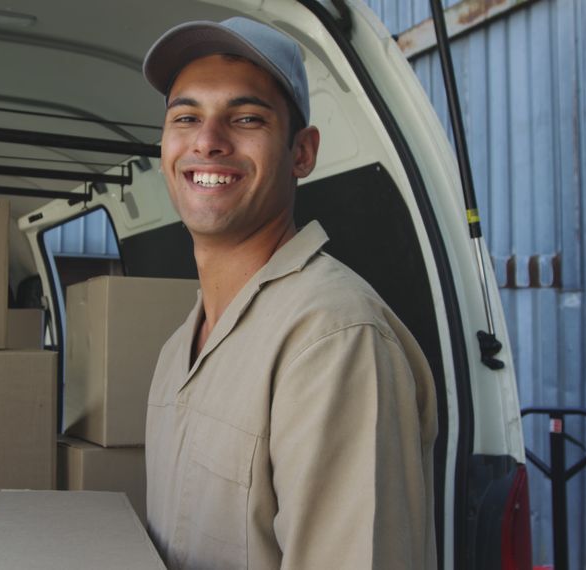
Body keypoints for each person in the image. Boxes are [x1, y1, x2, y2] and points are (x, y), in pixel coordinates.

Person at [141, 17, 438, 569]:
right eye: (186, 117)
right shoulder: (179, 349)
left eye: (246, 117)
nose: (207, 140)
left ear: (302, 153)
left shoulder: (333, 340)